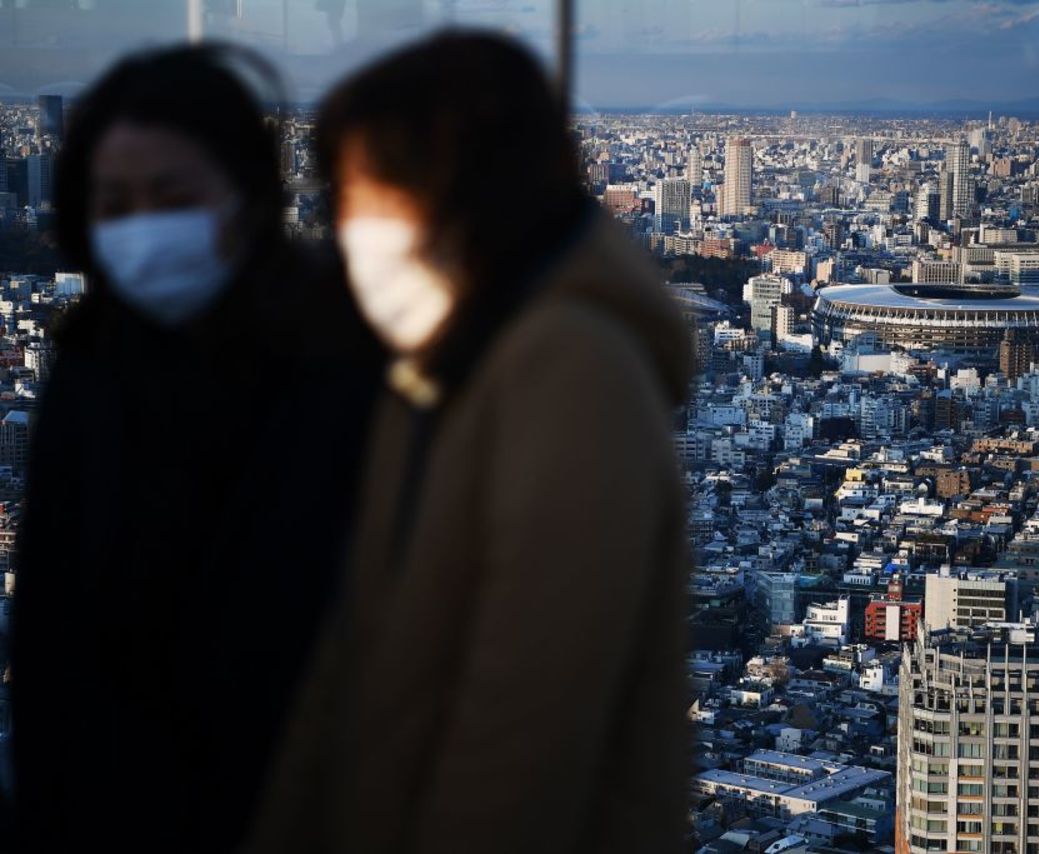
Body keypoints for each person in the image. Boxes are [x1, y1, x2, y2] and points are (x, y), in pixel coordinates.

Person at [248, 32, 693, 854]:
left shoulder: (571, 365)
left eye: (370, 197)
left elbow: (527, 719)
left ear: (466, 194)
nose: (346, 230)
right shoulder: (440, 367)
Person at [11, 45, 380, 853]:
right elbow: (49, 639)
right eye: (116, 202)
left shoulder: (341, 364)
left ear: (247, 193)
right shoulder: (94, 363)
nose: (144, 225)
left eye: (173, 196)